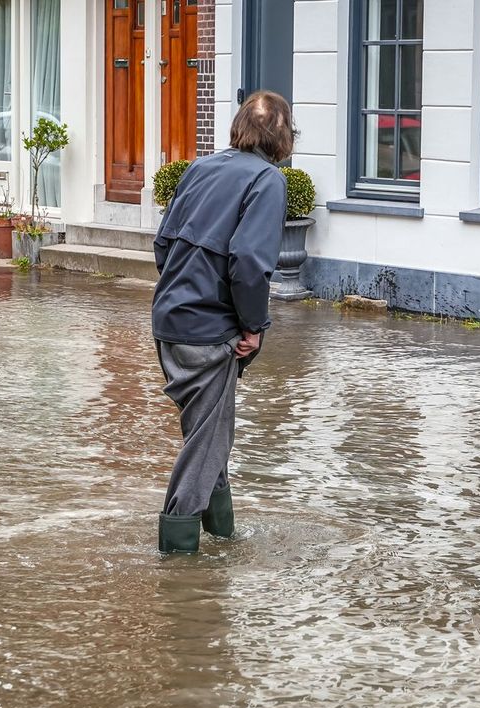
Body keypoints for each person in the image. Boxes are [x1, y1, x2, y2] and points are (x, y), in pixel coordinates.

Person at [152, 90, 293, 554]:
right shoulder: (268, 180)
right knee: (207, 441)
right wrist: (253, 327)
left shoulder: (199, 168)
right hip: (211, 330)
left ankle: (223, 533)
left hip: (169, 321)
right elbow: (250, 263)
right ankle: (177, 555)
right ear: (282, 137)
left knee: (207, 431)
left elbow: (162, 245)